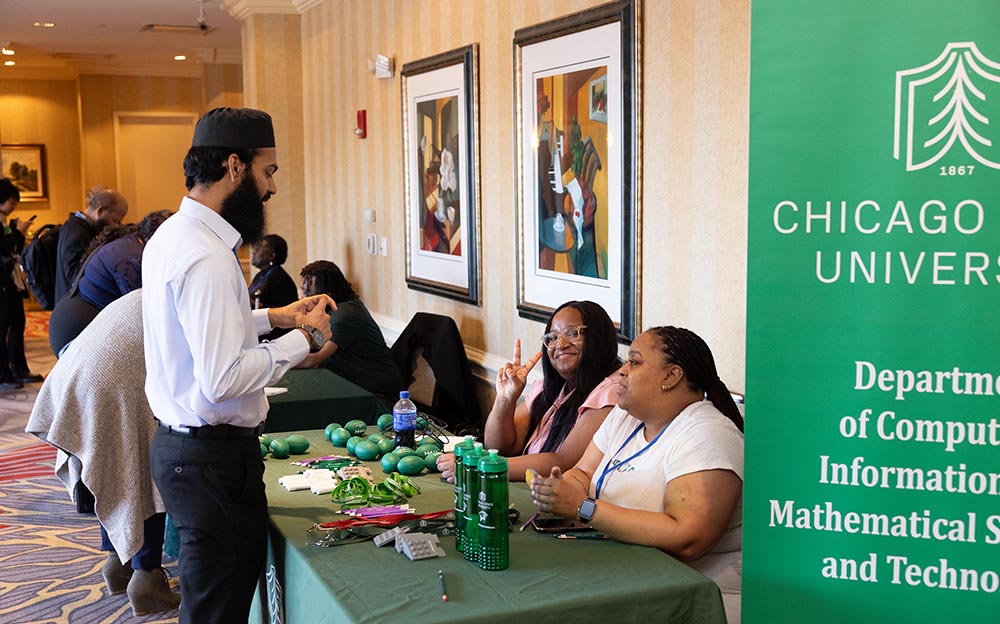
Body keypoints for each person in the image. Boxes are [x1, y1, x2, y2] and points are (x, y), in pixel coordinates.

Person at [143, 106, 334, 623]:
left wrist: (273, 316)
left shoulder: (173, 236)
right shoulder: (206, 255)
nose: (271, 188)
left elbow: (197, 334)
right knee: (217, 612)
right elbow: (223, 377)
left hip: (185, 449)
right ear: (234, 166)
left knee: (212, 604)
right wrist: (303, 338)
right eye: (267, 171)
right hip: (212, 463)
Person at [529, 326, 745, 623]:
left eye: (634, 362)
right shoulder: (625, 415)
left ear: (671, 376)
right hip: (625, 577)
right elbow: (582, 471)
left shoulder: (708, 434)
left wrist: (582, 507)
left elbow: (688, 538)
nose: (622, 372)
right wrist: (559, 492)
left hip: (692, 599)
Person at [26, 290, 179, 617]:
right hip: (111, 381)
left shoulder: (150, 284)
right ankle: (147, 578)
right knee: (141, 470)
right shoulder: (185, 290)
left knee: (109, 465)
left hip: (78, 372)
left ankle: (118, 563)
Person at [437, 300, 621, 482]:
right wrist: (505, 399)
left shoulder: (609, 392)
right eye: (553, 337)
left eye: (573, 333)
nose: (560, 344)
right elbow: (499, 447)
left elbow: (563, 462)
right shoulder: (549, 388)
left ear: (597, 338)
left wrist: (479, 466)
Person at [48, 210, 172, 356]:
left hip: (75, 318)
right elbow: (142, 309)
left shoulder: (131, 242)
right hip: (77, 329)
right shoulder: (130, 257)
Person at [296, 260, 403, 410]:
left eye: (308, 292)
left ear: (328, 293)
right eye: (303, 290)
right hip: (352, 384)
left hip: (376, 394)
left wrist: (278, 361)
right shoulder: (332, 310)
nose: (302, 298)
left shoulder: (345, 314)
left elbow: (314, 360)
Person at [0, 178, 43, 390]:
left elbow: (12, 249)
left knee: (17, 325)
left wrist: (16, 231)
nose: (13, 206)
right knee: (3, 329)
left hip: (11, 283)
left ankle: (19, 369)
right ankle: (4, 375)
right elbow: (3, 247)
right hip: (3, 285)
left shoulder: (4, 222)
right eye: (11, 201)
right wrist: (18, 231)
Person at [55, 187, 129, 303]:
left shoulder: (78, 227)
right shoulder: (77, 232)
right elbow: (76, 276)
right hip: (75, 307)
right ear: (101, 211)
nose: (117, 226)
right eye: (115, 220)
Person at [248, 233, 298, 310]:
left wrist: (260, 306)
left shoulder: (280, 279)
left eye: (258, 248)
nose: (254, 252)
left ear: (271, 255)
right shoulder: (260, 275)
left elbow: (283, 310)